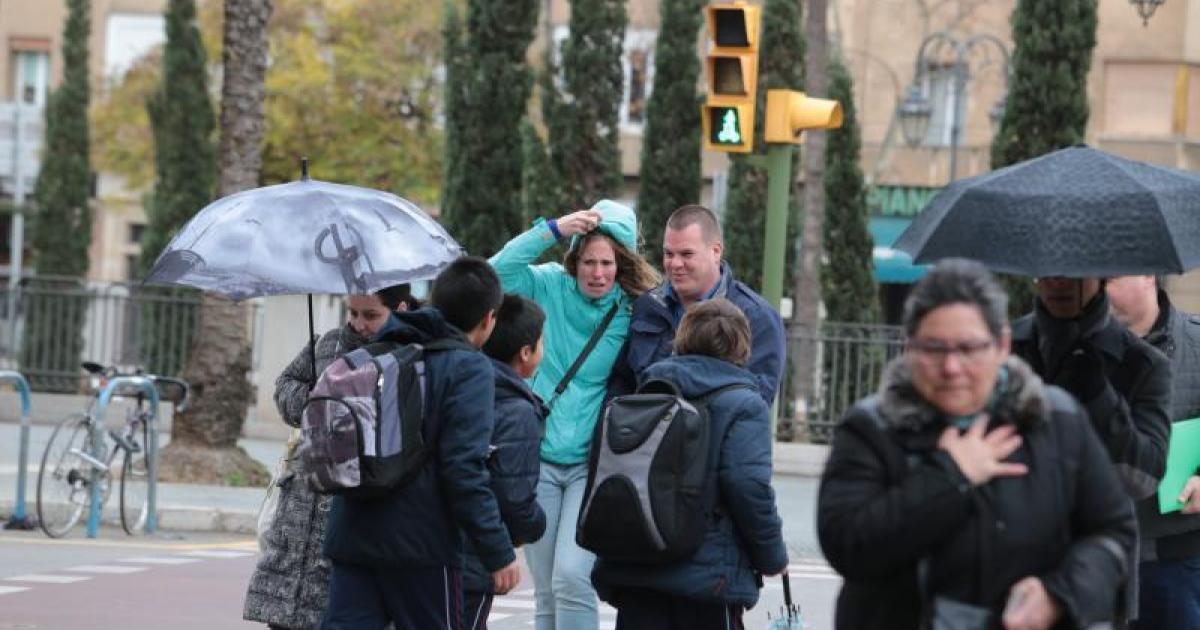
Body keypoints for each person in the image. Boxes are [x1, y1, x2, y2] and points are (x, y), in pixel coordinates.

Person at [818, 259, 1136, 630]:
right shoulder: (872, 427)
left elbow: (1113, 532)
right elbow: (848, 547)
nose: (952, 367)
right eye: (934, 348)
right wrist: (950, 477)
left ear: (1001, 345)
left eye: (969, 348)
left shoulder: (1058, 420)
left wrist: (1060, 595)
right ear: (909, 345)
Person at [321, 258, 520, 630]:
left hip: (353, 531)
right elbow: (463, 469)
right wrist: (497, 550)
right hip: (422, 545)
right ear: (488, 319)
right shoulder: (468, 367)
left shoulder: (380, 348)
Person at [489, 200, 659, 630]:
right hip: (540, 458)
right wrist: (553, 228)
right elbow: (494, 274)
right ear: (575, 259)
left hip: (589, 464)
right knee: (545, 588)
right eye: (589, 261)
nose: (597, 273)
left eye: (607, 263)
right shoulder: (548, 286)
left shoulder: (631, 308)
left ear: (621, 264)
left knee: (572, 575)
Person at [591, 299, 788, 630]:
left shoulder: (647, 392)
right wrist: (773, 556)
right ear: (742, 346)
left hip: (637, 565)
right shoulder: (744, 404)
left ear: (682, 337)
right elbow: (747, 485)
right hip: (707, 580)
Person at [243, 283, 415, 630]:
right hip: (301, 506)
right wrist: (318, 400)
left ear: (400, 308)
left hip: (355, 507)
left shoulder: (409, 356)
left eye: (371, 315)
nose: (358, 323)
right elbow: (285, 388)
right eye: (353, 312)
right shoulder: (327, 344)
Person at [1010, 276, 1170, 500]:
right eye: (1048, 273)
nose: (1058, 282)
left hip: (1098, 525)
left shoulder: (1141, 362)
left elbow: (1144, 478)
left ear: (1101, 277)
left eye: (1074, 275)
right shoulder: (1003, 346)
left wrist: (1099, 395)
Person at [609, 204, 785, 406]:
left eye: (686, 254)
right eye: (668, 254)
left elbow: (755, 405)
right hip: (648, 435)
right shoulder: (647, 306)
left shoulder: (756, 316)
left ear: (716, 251)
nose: (675, 264)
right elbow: (622, 382)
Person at [1107, 275, 1200, 629]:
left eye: (1109, 278)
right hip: (1093, 560)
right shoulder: (1073, 349)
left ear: (1147, 274)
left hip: (1178, 561)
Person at [463, 294, 551, 630]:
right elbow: (514, 496)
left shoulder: (467, 383)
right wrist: (535, 525)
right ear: (526, 353)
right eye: (541, 341)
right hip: (478, 551)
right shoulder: (517, 409)